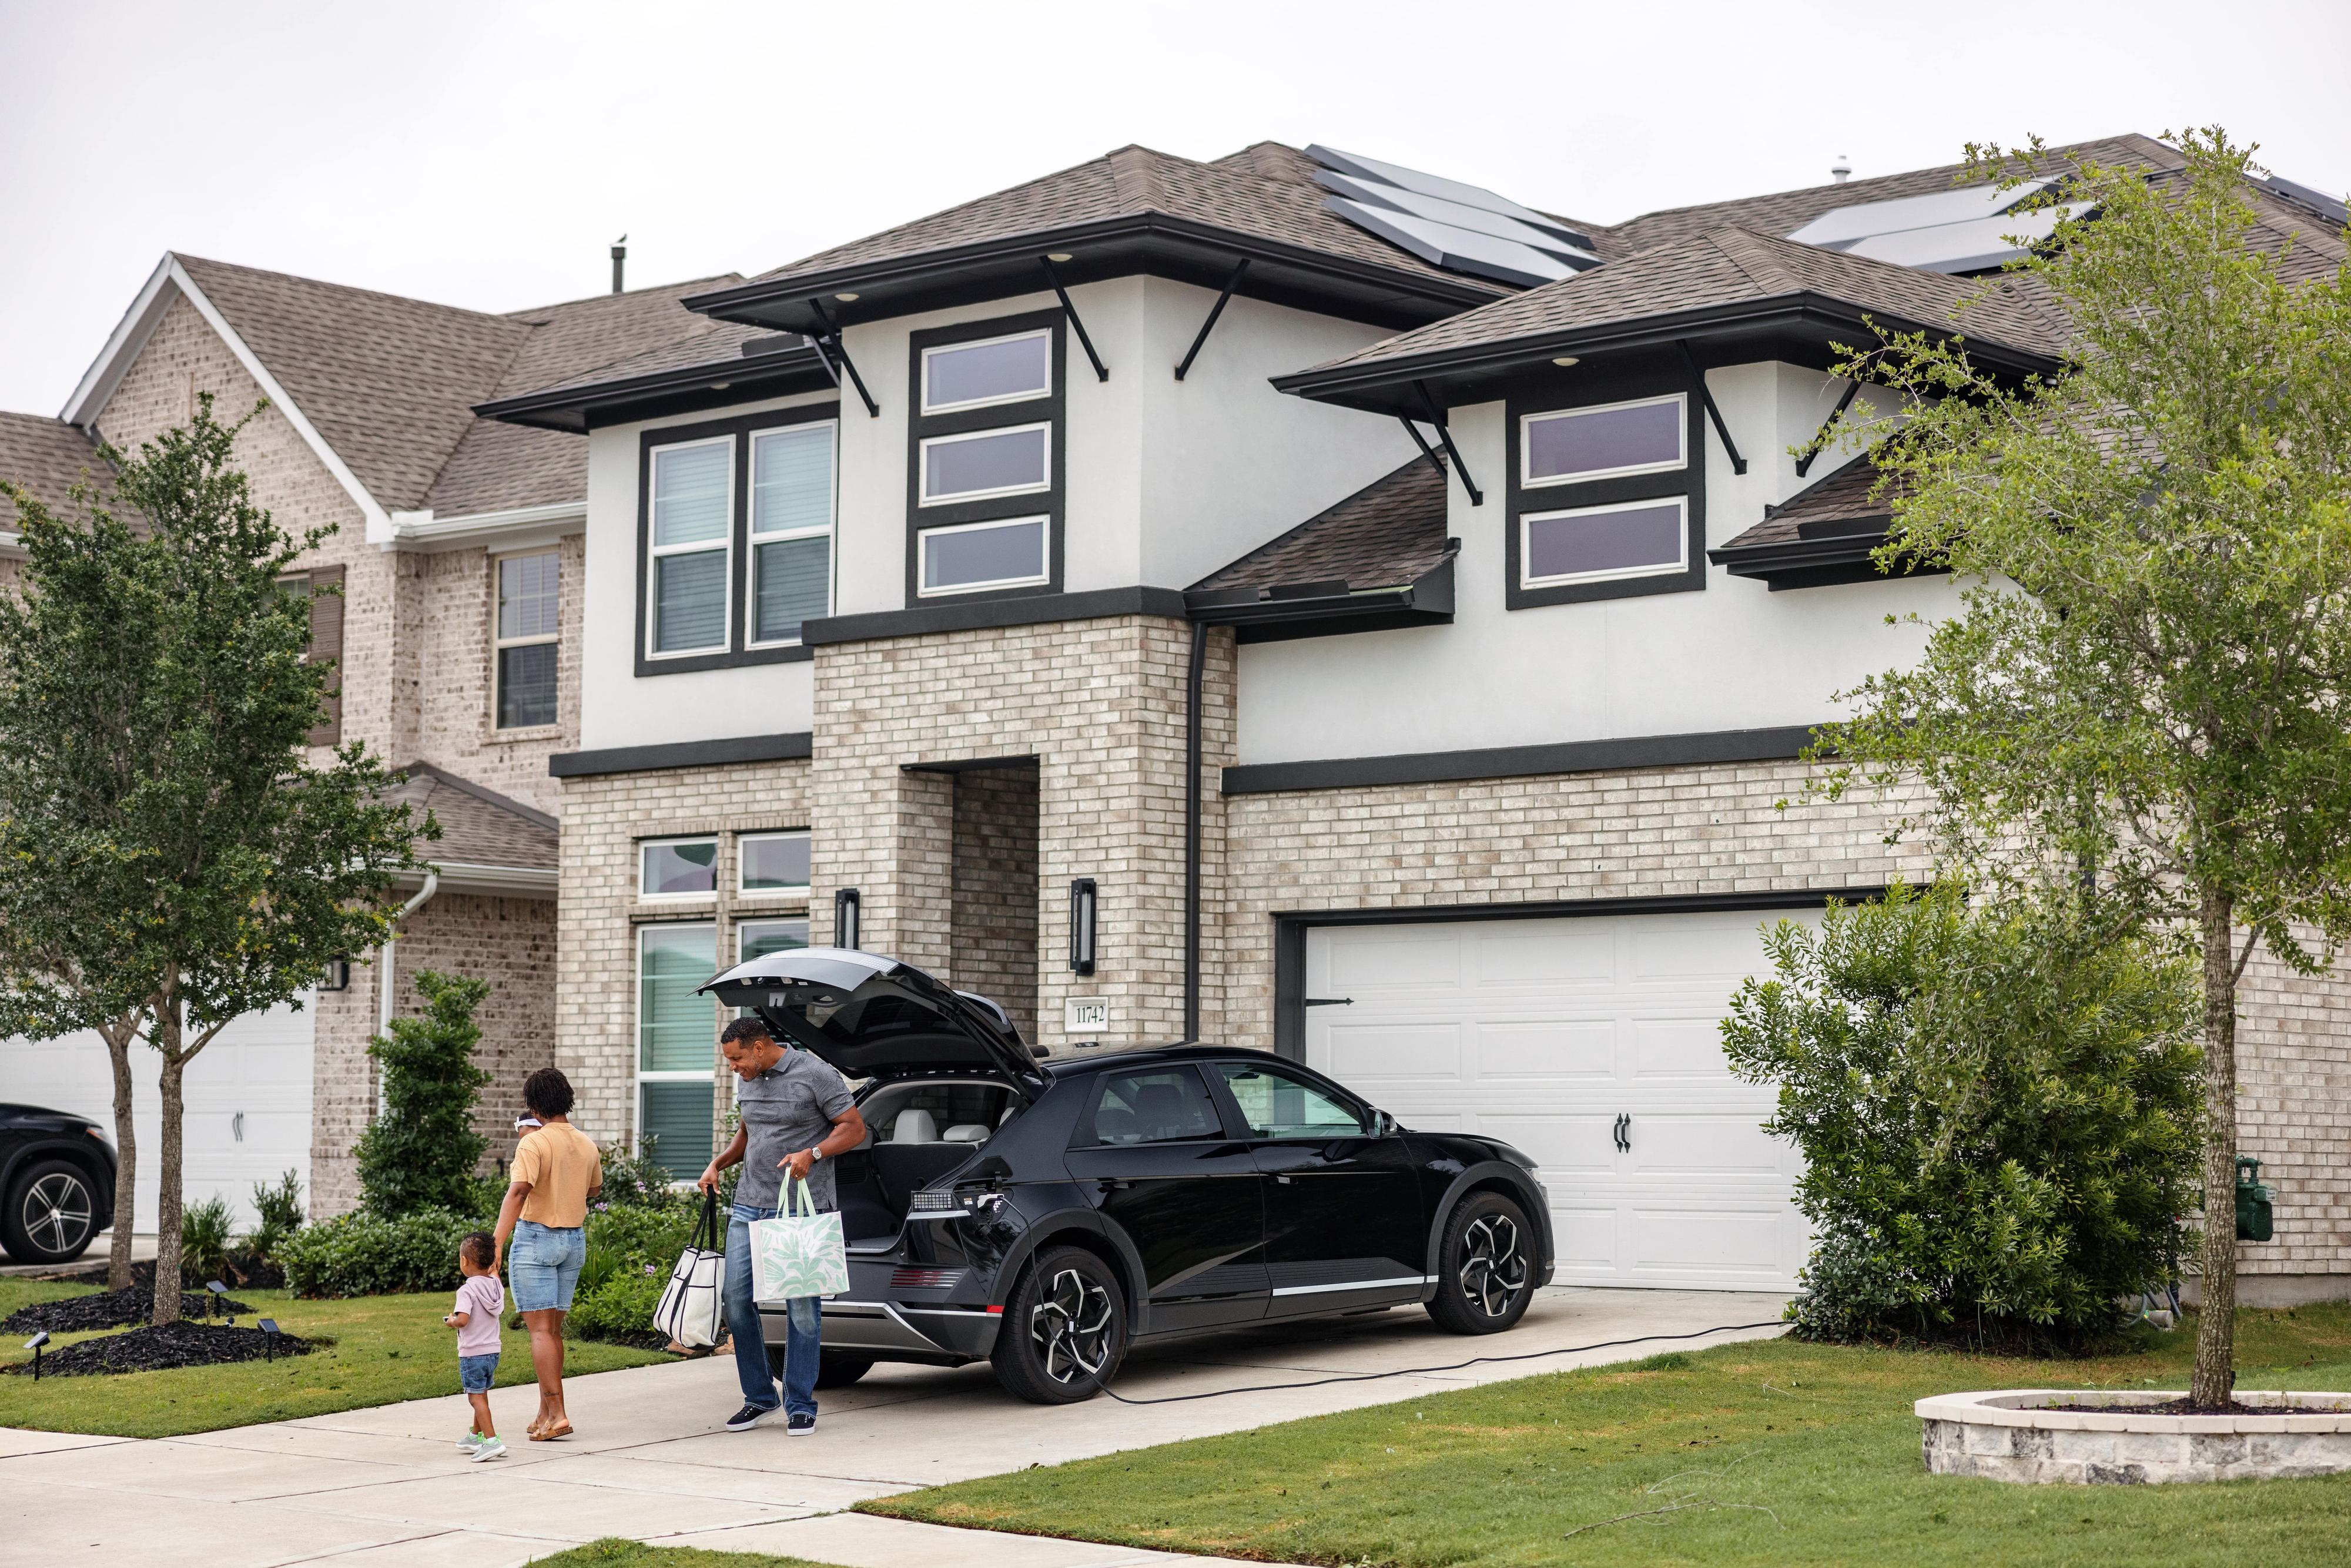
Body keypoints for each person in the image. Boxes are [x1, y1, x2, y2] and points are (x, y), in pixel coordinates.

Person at [699, 1017, 865, 1435]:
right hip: (748, 1204)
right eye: (729, 1061)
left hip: (799, 1209)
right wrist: (718, 1163)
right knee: (735, 1300)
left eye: (737, 1059)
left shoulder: (816, 1074)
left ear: (759, 1048)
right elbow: (748, 1133)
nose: (733, 1068)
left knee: (802, 1308)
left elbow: (854, 1129)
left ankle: (801, 1404)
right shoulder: (748, 1080)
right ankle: (760, 1397)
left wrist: (813, 1152)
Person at [494, 1066, 600, 1442]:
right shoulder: (586, 1143)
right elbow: (594, 1190)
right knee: (552, 1332)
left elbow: (518, 1192)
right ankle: (544, 1413)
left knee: (539, 1332)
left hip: (537, 1239)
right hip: (573, 1241)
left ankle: (557, 1415)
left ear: (535, 1106)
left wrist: (496, 1243)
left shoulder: (533, 1143)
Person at [444, 1231, 508, 1462]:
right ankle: (475, 1436)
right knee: (481, 1393)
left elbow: (463, 1320)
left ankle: (492, 1442)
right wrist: (494, 1270)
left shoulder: (467, 1290)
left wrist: (451, 1321)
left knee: (475, 1398)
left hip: (473, 1354)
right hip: (492, 1352)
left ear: (464, 1261)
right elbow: (495, 1275)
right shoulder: (496, 1286)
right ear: (491, 1262)